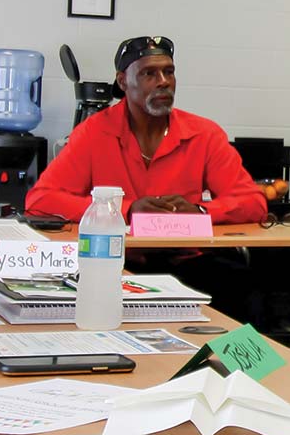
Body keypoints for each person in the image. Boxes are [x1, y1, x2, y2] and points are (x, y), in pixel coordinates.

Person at [25, 35, 269, 320]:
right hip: (117, 263)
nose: (163, 81)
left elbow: (253, 201)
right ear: (122, 81)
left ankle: (239, 365)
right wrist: (124, 210)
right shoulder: (94, 132)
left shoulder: (204, 134)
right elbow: (39, 200)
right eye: (149, 73)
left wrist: (201, 211)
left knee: (250, 293)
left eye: (169, 71)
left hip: (188, 262)